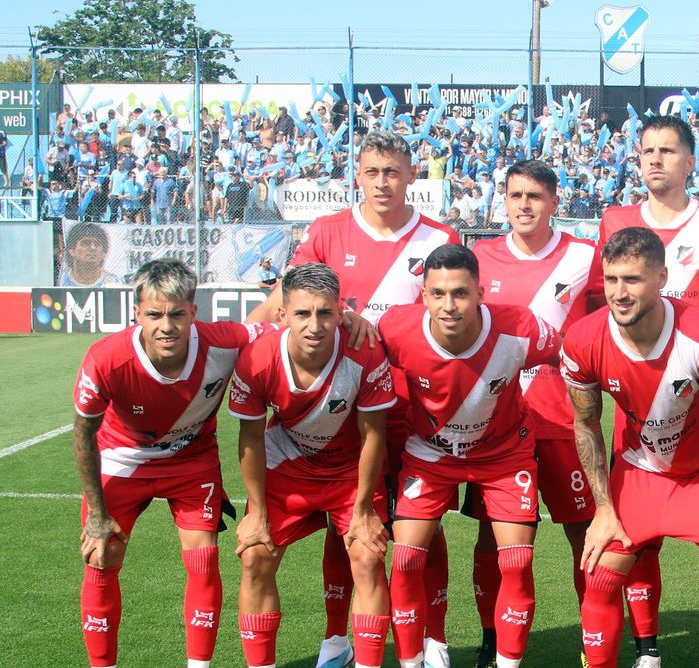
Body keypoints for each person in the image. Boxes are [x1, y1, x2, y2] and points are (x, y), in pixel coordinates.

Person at [246, 130, 460, 668]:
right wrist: (234, 344)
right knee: (344, 527)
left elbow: (448, 320)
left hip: (412, 411)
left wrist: (378, 325)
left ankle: (433, 637)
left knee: (418, 532)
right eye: (372, 172)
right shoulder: (326, 231)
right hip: (339, 413)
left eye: (393, 171)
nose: (383, 182)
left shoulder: (438, 236)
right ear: (357, 176)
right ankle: (337, 639)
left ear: (413, 175)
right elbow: (285, 299)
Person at [589, 115, 699, 667]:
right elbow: (603, 305)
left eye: (668, 151)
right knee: (636, 539)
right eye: (646, 151)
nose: (656, 160)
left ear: (690, 161)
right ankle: (647, 650)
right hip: (640, 402)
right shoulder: (615, 219)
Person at [563, 227, 699, 668]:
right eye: (611, 280)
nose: (619, 292)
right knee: (599, 576)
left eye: (632, 280)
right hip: (638, 473)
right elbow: (586, 423)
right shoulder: (582, 339)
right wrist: (604, 510)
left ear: (662, 277)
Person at [71, 259, 272, 668]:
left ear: (194, 312)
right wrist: (95, 511)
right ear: (136, 313)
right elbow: (83, 435)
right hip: (122, 459)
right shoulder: (106, 359)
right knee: (101, 555)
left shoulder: (225, 340)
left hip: (191, 461)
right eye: (154, 314)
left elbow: (288, 324)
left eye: (177, 313)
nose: (167, 326)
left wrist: (347, 316)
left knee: (203, 559)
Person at [376, 244, 560, 668]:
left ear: (480, 292)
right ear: (423, 295)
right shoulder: (395, 329)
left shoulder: (520, 327)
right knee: (404, 559)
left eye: (460, 293)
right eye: (437, 294)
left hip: (504, 455)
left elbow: (572, 353)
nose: (449, 305)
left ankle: (507, 663)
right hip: (429, 455)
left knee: (516, 560)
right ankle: (411, 662)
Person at [229, 263, 395, 668]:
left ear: (341, 312)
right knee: (255, 556)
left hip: (349, 471)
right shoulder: (257, 358)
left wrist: (362, 512)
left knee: (368, 556)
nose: (315, 325)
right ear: (282, 316)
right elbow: (249, 438)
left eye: (325, 312)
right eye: (302, 313)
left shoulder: (365, 352)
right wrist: (257, 514)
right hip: (289, 464)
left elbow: (374, 435)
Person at [467, 160, 598, 665]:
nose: (524, 205)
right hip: (494, 424)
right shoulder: (480, 256)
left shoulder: (584, 257)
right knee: (492, 536)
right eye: (515, 195)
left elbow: (609, 323)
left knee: (584, 533)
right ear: (503, 200)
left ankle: (597, 637)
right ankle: (489, 638)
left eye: (535, 196)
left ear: (554, 203)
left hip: (565, 422)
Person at [61, 221, 111, 287]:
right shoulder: (60, 282)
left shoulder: (113, 282)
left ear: (104, 253)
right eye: (85, 243)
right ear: (72, 250)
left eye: (97, 244)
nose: (93, 248)